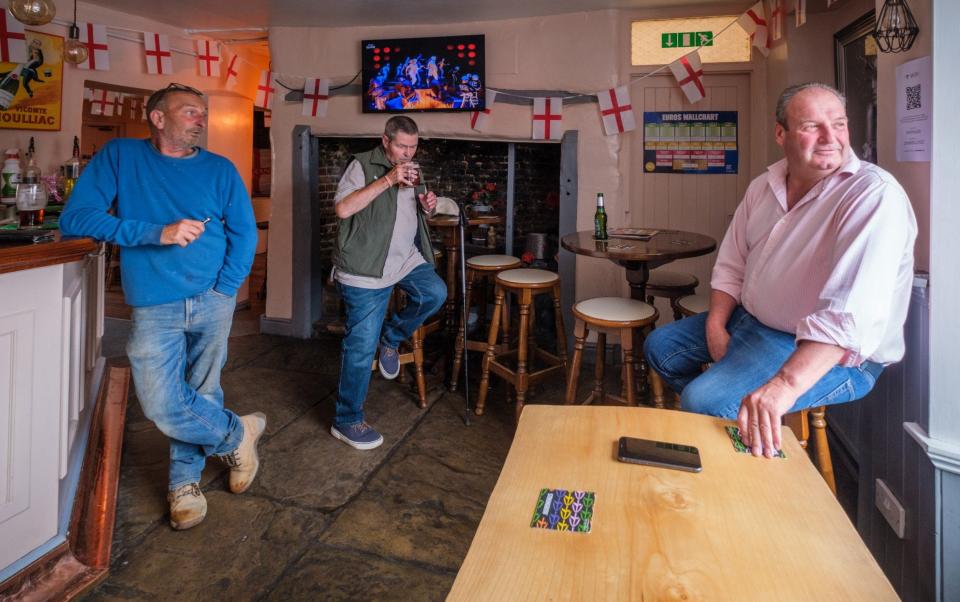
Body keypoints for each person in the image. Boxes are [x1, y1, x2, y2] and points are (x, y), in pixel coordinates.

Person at [644, 82, 917, 459]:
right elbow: (731, 263)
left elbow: (849, 317)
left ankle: (740, 454)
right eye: (811, 126)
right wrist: (715, 324)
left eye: (838, 124)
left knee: (702, 401)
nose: (829, 138)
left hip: (827, 351)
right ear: (781, 133)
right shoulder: (763, 186)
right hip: (752, 323)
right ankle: (740, 436)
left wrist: (782, 387)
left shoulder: (872, 195)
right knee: (661, 348)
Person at [60, 83, 263, 530]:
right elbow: (76, 218)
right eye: (190, 111)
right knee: (160, 400)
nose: (201, 119)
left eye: (203, 113)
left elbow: (244, 233)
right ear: (157, 117)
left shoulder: (221, 169)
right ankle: (236, 434)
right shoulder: (120, 157)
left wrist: (225, 288)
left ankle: (183, 484)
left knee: (202, 390)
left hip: (213, 299)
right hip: (154, 302)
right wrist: (157, 233)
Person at [331, 115, 446, 450]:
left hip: (404, 260)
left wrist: (428, 208)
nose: (408, 153)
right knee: (359, 348)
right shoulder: (362, 165)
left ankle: (392, 338)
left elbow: (406, 213)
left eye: (413, 146)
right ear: (385, 141)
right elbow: (342, 209)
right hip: (365, 267)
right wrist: (388, 179)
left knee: (435, 293)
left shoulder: (412, 167)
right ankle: (346, 419)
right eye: (401, 146)